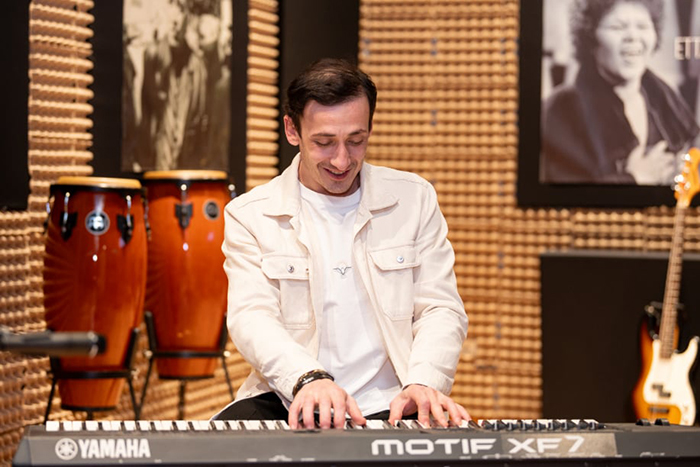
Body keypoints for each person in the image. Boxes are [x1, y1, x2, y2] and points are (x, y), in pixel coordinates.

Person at [214, 58, 470, 429]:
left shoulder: (414, 199)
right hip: (290, 396)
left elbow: (440, 308)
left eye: (356, 141)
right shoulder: (250, 214)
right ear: (292, 130)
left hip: (393, 401)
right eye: (324, 143)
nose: (341, 160)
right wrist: (308, 378)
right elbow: (252, 317)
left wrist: (425, 380)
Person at [541, 0, 700, 184]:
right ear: (590, 37)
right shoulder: (560, 111)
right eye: (617, 27)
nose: (633, 36)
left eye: (643, 26)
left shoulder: (667, 102)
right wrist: (633, 179)